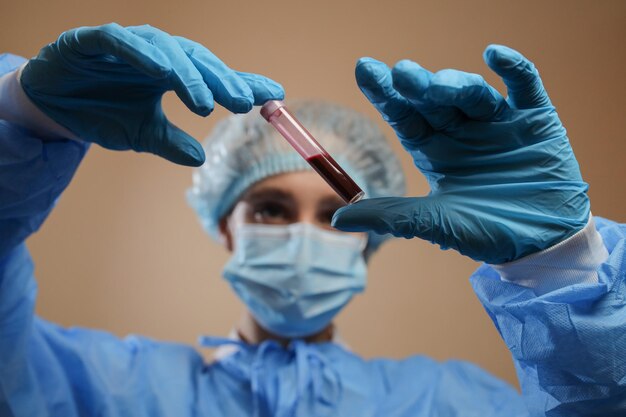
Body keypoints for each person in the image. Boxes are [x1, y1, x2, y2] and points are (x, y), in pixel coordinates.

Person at [0, 23, 624, 417]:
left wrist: (560, 263)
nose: (302, 234)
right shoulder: (105, 389)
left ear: (369, 242)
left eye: (334, 215)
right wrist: (20, 114)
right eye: (270, 209)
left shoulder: (450, 404)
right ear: (225, 225)